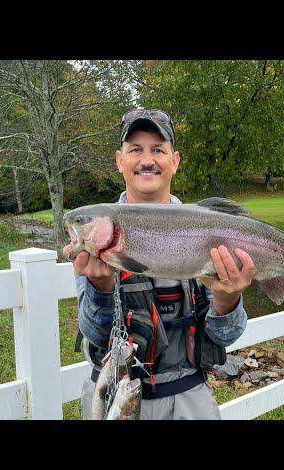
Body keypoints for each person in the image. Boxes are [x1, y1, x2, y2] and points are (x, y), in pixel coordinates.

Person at [65, 108, 255, 420]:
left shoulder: (207, 228)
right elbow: (97, 335)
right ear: (119, 160)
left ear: (175, 160)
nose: (146, 160)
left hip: (189, 398)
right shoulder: (100, 236)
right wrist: (101, 289)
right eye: (135, 150)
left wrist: (227, 298)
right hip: (115, 398)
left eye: (158, 150)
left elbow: (225, 337)